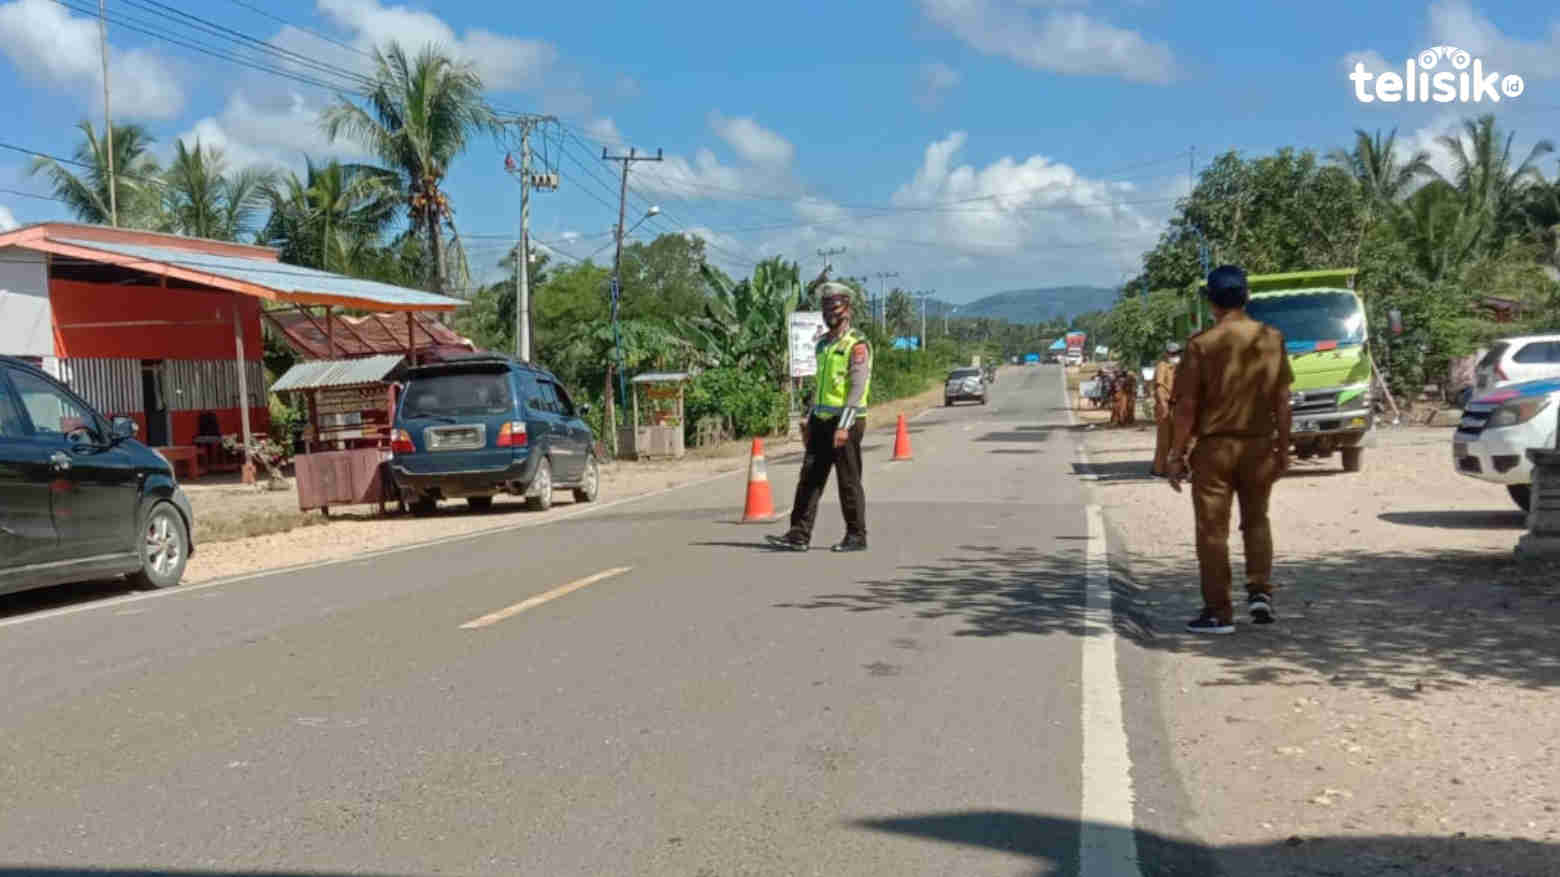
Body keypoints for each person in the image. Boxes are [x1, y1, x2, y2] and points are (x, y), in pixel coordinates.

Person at [1166, 266, 1294, 634]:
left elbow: (1186, 406)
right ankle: (1260, 591)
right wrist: (1283, 449)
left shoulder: (1201, 345)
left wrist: (1176, 455)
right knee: (1257, 520)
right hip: (1258, 446)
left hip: (1215, 449)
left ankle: (1219, 611)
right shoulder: (1271, 338)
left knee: (1212, 531)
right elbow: (1282, 400)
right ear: (1247, 296)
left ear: (1210, 302)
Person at [768, 283, 872, 553]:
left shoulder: (857, 344)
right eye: (825, 308)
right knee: (809, 478)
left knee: (848, 480)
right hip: (820, 420)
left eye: (834, 307)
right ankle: (799, 534)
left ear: (847, 308)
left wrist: (844, 426)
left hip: (846, 422)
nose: (829, 313)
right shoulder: (823, 344)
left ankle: (856, 535)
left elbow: (857, 389)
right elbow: (821, 386)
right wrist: (808, 416)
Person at [1151, 342, 1182, 476]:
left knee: (1179, 440)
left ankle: (1177, 469)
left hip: (1178, 407)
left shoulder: (1180, 367)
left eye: (1176, 353)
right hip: (1166, 405)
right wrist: (1163, 406)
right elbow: (1159, 387)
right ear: (1167, 353)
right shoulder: (1162, 366)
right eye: (1172, 353)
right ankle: (1160, 469)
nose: (1174, 356)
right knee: (1165, 439)